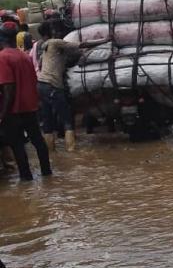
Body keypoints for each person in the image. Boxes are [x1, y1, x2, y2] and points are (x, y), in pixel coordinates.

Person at [37, 19, 104, 152]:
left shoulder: (44, 47)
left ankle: (51, 153)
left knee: (47, 120)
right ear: (52, 32)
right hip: (53, 85)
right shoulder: (56, 42)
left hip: (41, 85)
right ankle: (71, 151)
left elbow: (40, 66)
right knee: (67, 118)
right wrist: (104, 40)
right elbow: (82, 45)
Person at [0, 21, 51, 181]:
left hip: (14, 110)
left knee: (17, 145)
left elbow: (8, 88)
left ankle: (26, 178)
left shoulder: (3, 57)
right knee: (38, 141)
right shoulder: (24, 55)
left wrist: (2, 114)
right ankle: (47, 173)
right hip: (30, 107)